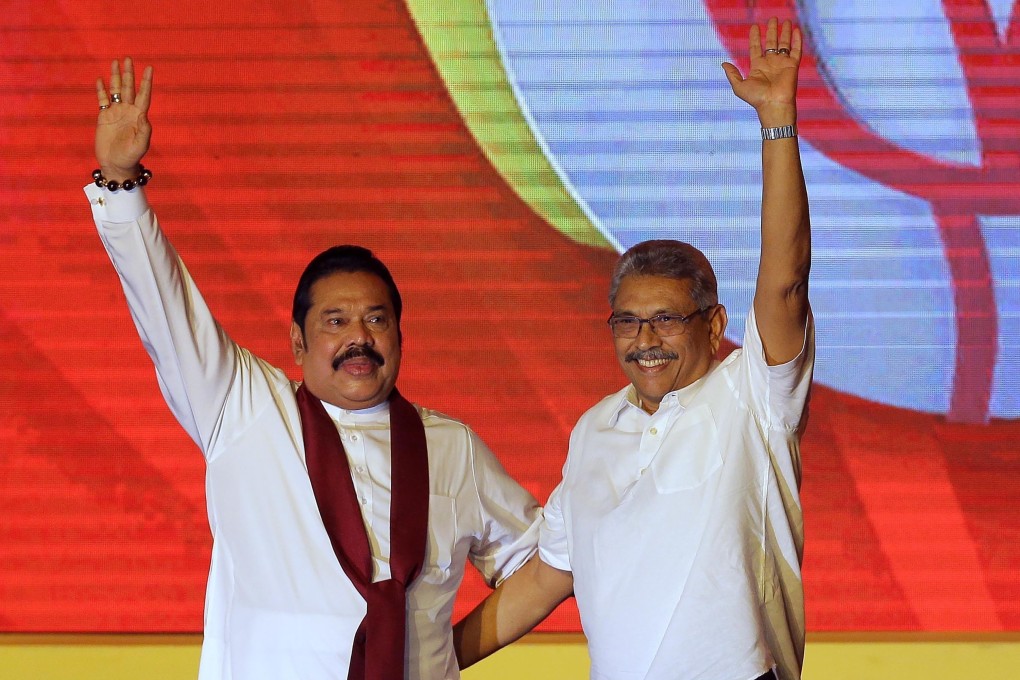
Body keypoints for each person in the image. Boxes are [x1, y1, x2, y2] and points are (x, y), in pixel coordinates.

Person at [86, 58, 543, 680]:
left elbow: (543, 564)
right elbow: (166, 313)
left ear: (401, 335)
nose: (359, 337)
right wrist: (122, 181)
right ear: (297, 343)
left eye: (377, 320)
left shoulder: (452, 447)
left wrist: (441, 656)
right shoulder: (242, 407)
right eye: (335, 322)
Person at [453, 17, 813, 680]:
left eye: (668, 319)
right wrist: (431, 661)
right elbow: (545, 578)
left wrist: (778, 122)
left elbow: (785, 282)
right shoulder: (595, 429)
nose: (645, 340)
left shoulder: (753, 399)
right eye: (627, 322)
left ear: (714, 325)